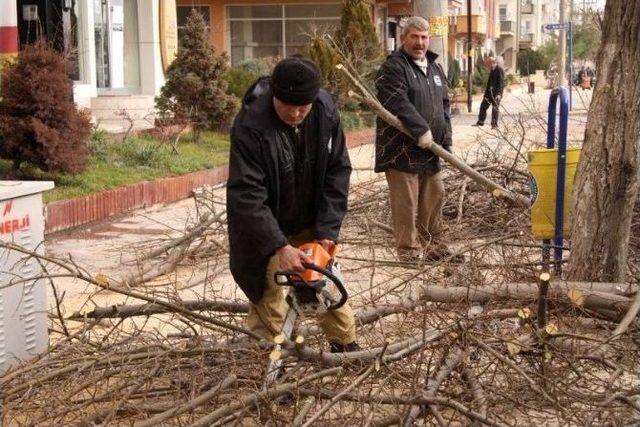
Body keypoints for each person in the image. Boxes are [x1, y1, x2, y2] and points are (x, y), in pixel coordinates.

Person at [226, 56, 359, 352]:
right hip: (265, 223)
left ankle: (345, 346)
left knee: (323, 280)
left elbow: (338, 171)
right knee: (268, 290)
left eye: (304, 107)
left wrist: (327, 230)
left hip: (310, 214)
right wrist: (278, 245)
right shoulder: (251, 125)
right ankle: (270, 359)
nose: (298, 113)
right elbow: (247, 192)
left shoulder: (324, 111)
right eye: (290, 107)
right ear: (276, 96)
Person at [375, 16, 459, 263]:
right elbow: (396, 100)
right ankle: (409, 254)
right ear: (404, 39)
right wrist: (421, 129)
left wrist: (447, 140)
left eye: (424, 37)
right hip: (402, 152)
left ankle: (434, 249)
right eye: (414, 37)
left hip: (431, 150)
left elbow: (445, 106)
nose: (420, 42)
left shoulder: (435, 68)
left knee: (434, 200)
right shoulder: (393, 67)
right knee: (407, 205)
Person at [473, 56, 505, 129]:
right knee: (483, 106)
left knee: (494, 109)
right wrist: (485, 94)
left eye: (488, 64)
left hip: (496, 94)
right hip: (489, 94)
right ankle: (481, 122)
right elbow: (489, 83)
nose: (487, 66)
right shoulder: (492, 70)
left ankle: (494, 125)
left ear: (492, 63)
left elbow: (501, 83)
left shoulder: (499, 70)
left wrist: (499, 94)